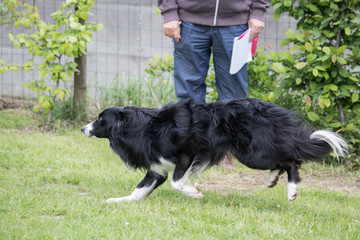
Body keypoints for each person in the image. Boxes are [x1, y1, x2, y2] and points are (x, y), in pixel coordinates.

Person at [157, 0, 271, 104]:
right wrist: (169, 12)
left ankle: (232, 127)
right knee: (188, 96)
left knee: (235, 97)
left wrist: (258, 11)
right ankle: (195, 127)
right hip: (188, 23)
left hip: (236, 24)